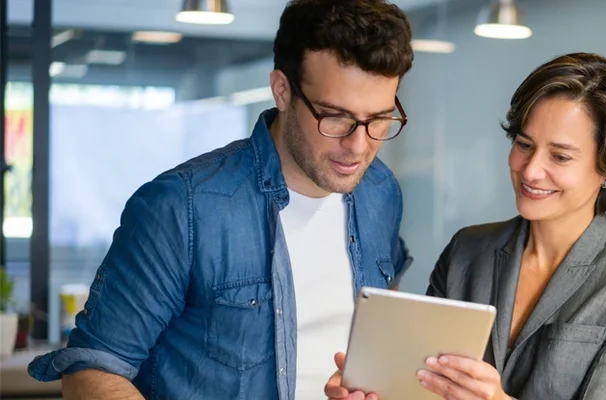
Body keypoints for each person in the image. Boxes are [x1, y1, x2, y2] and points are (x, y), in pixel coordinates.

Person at [27, 1, 415, 398]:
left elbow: (381, 324)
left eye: (379, 118)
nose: (358, 146)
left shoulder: (380, 192)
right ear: (283, 90)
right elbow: (91, 369)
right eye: (335, 117)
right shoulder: (182, 208)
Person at [326, 52, 606, 400]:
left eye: (560, 156)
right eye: (524, 144)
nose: (531, 170)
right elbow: (423, 389)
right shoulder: (468, 249)